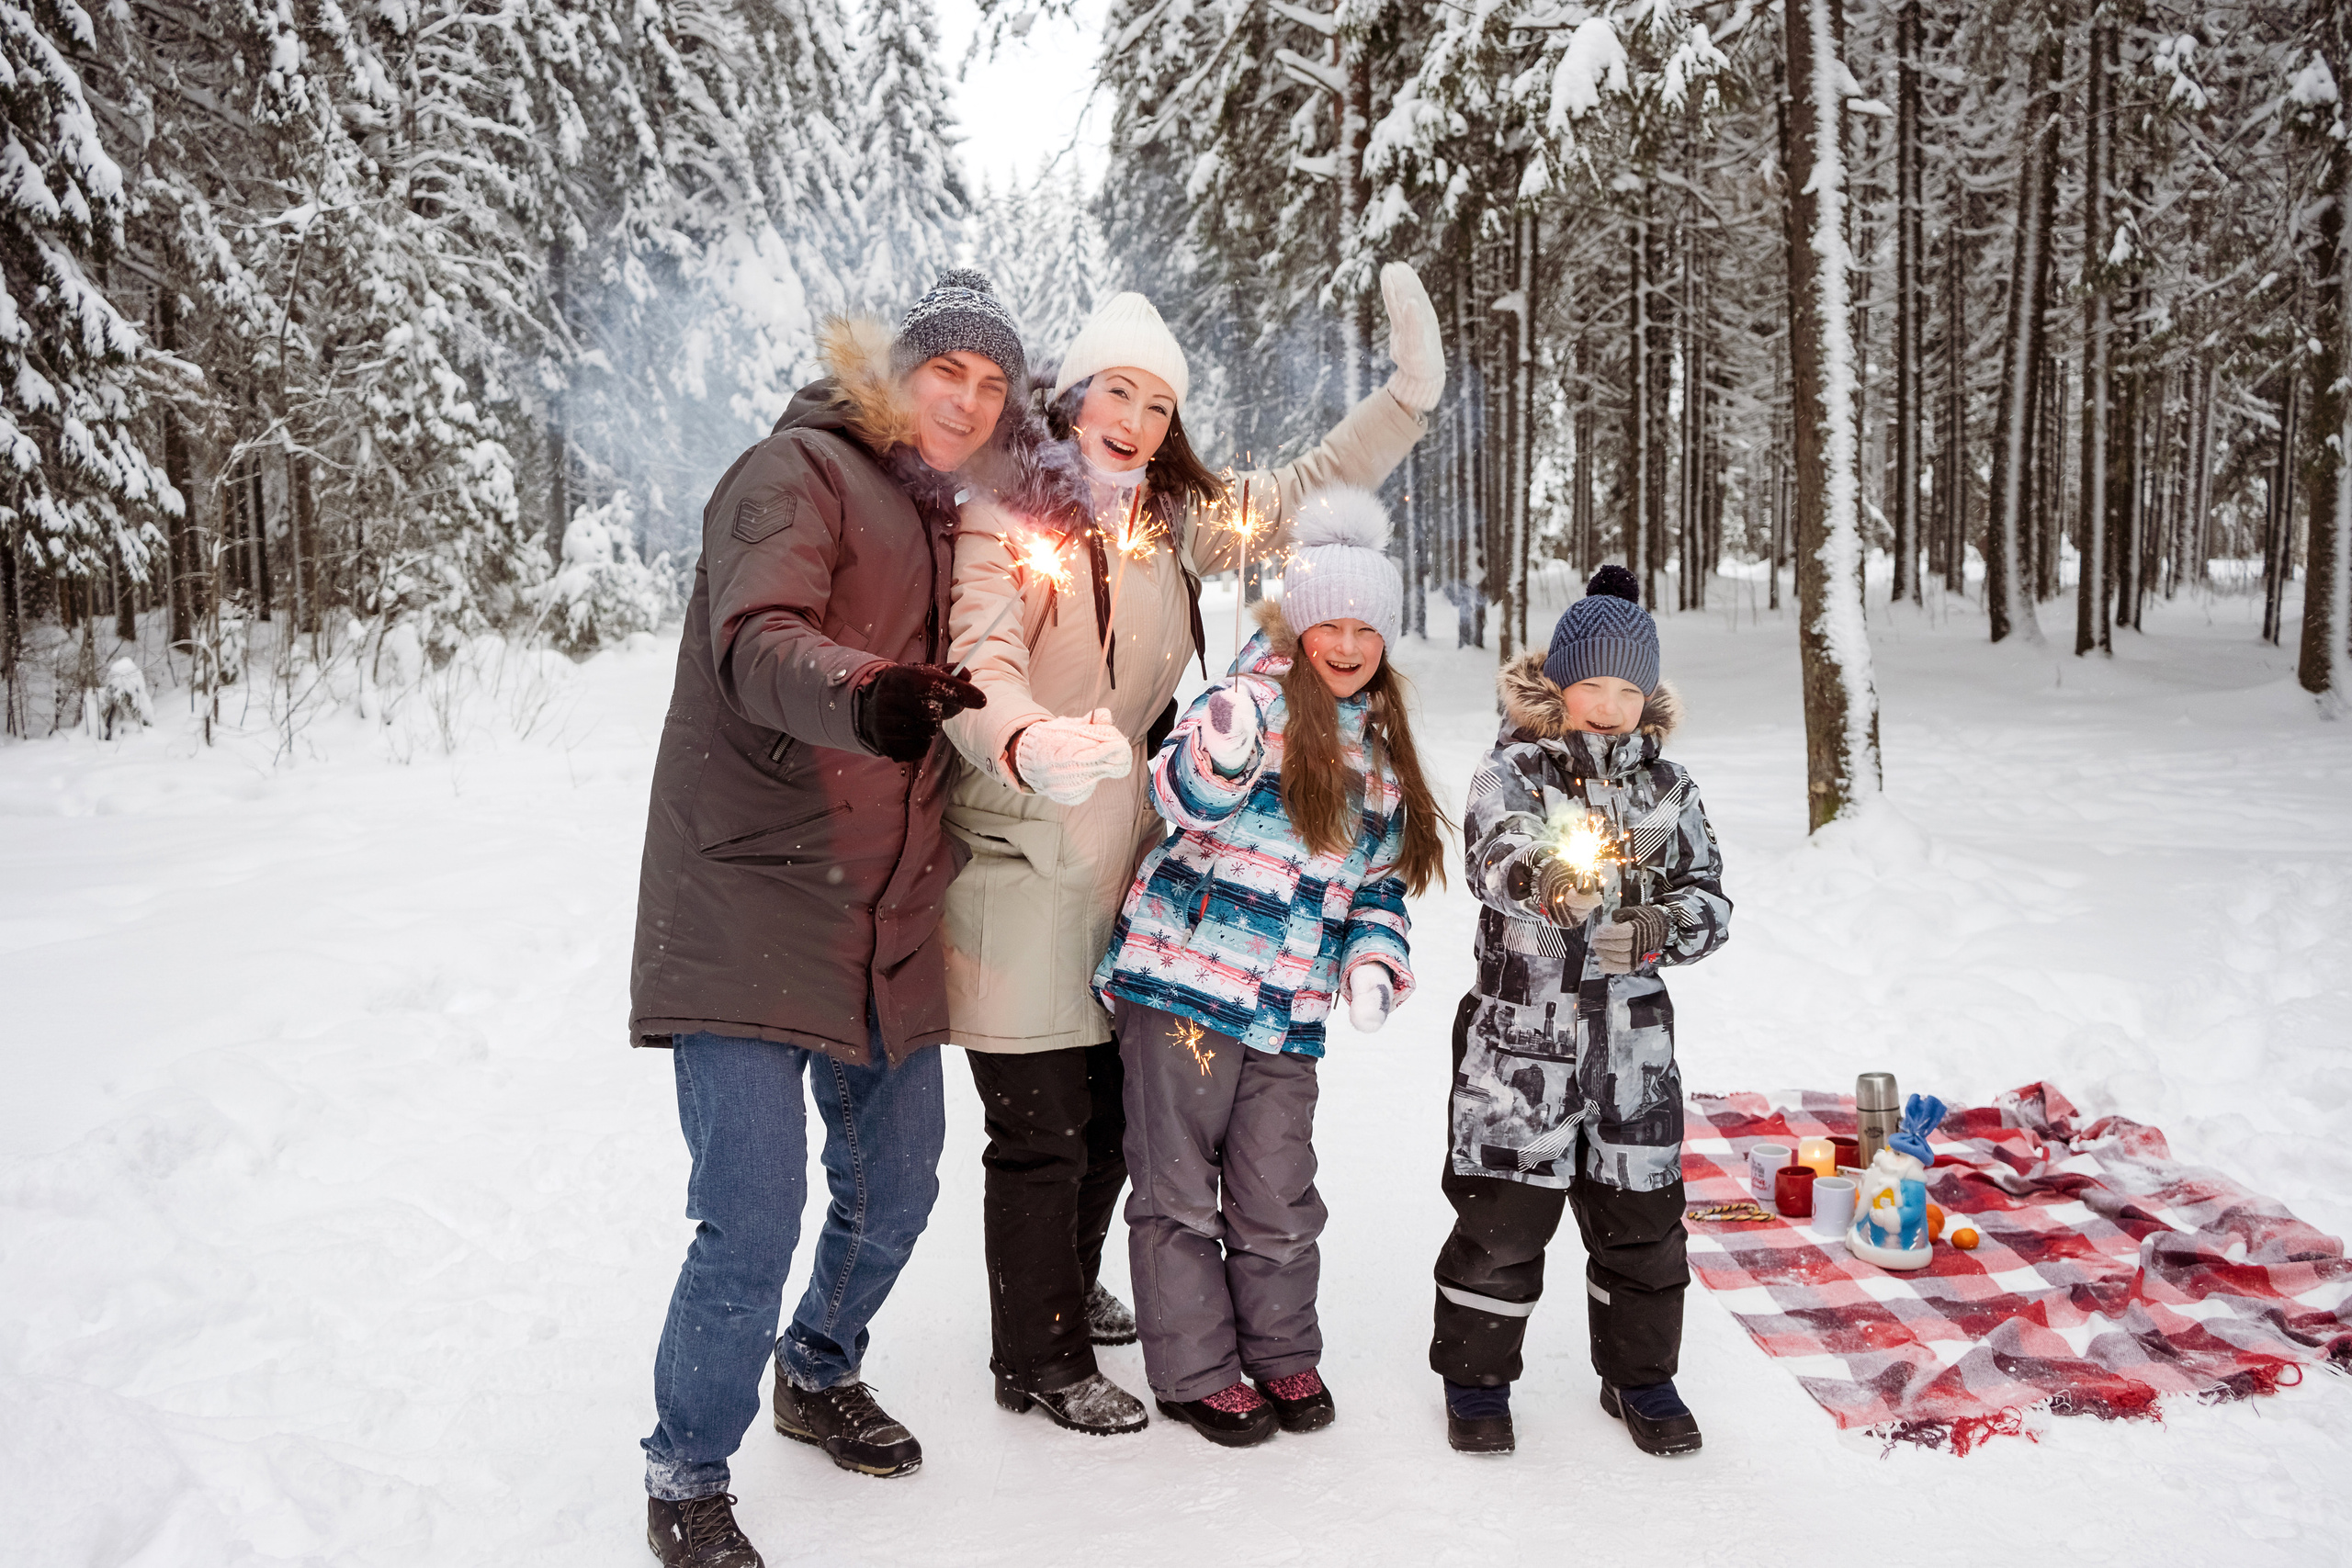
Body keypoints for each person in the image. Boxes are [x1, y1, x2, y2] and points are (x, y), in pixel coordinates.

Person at [936, 270, 1446, 1436]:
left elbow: (1310, 485)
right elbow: (977, 659)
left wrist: (1406, 402)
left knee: (1117, 1115)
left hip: (1133, 862)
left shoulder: (1176, 523)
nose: (1134, 419)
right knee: (1039, 1127)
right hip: (1022, 851)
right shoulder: (1007, 516)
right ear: (1072, 398)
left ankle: (1067, 1299)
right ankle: (1041, 1356)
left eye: (1158, 405)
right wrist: (1023, 740)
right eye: (1116, 391)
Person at [629, 271, 1024, 1568]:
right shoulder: (792, 470)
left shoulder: (962, 519)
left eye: (991, 384)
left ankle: (817, 1364)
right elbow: (758, 640)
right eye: (945, 372)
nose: (966, 400)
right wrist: (872, 692)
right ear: (895, 373)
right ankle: (686, 1470)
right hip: (751, 894)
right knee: (750, 1209)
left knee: (899, 1184)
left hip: (887, 909)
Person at [1091, 487, 1451, 1447]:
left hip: (1286, 1014)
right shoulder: (1241, 703)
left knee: (1278, 1191)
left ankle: (1282, 1350)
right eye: (1326, 622)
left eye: (1364, 627)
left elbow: (1375, 885)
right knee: (1177, 1194)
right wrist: (1217, 751)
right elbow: (1180, 800)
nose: (1345, 643)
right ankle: (1196, 1370)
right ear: (1295, 623)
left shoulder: (1376, 751)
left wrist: (1372, 960)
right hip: (1184, 993)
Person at [1430, 565, 1733, 1460]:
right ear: (1558, 685)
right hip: (1517, 1056)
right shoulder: (1514, 770)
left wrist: (1653, 926)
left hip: (1632, 1055)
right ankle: (1476, 1382)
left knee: (1642, 1226)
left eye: (1627, 687)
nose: (1607, 705)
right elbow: (1498, 851)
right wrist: (1553, 880)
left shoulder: (1668, 791)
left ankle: (1639, 1376)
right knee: (1500, 1226)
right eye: (1592, 683)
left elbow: (1709, 901)